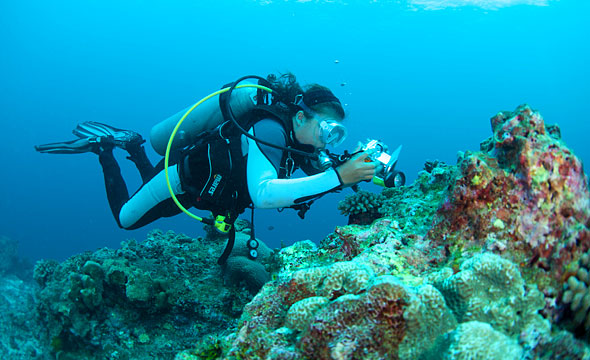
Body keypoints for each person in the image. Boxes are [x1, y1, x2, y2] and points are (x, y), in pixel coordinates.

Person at [35, 74, 377, 259]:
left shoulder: (300, 143)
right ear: (300, 116)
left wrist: (360, 172)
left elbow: (321, 178)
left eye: (336, 134)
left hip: (202, 196)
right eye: (326, 129)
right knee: (126, 220)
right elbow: (263, 194)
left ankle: (135, 148)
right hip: (180, 181)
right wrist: (337, 176)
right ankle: (104, 150)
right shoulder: (270, 129)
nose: (327, 140)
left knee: (157, 205)